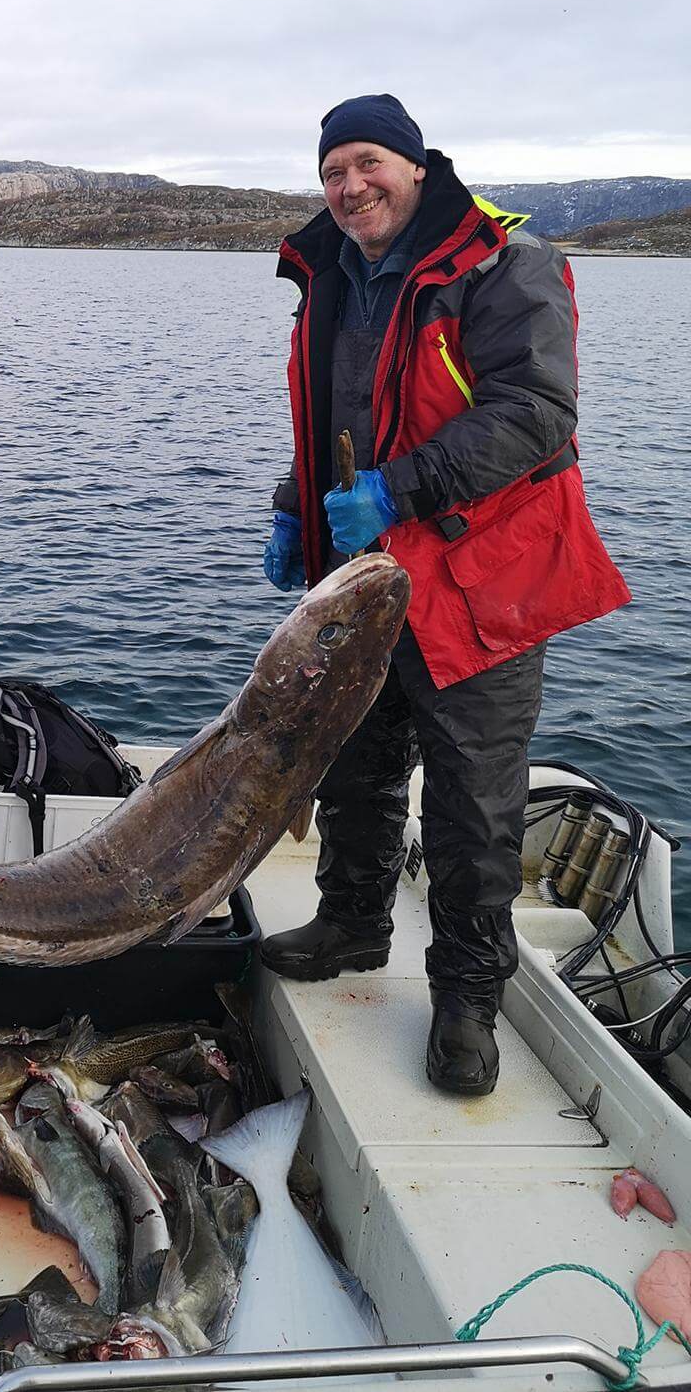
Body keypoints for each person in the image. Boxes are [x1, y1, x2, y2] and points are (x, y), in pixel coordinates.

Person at [260, 96, 629, 1097]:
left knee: (473, 805)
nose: (349, 187)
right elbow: (335, 414)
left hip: (483, 578)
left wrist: (400, 487)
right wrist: (298, 503)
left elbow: (538, 415)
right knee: (354, 758)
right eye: (333, 170)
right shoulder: (333, 272)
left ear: (417, 166)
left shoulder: (508, 265)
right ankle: (351, 922)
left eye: (368, 163)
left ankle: (468, 1001)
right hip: (369, 582)